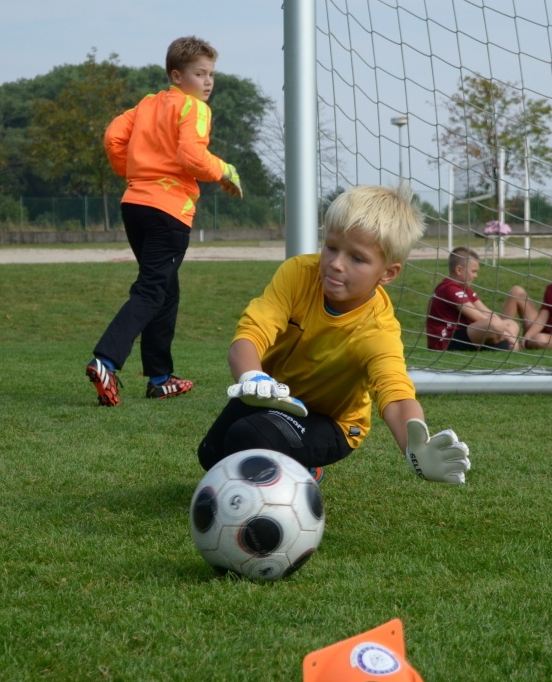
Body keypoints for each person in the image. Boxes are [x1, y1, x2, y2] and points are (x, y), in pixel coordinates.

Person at [197, 184, 471, 485]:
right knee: (212, 458)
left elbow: (395, 394)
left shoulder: (378, 330)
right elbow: (251, 333)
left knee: (249, 438)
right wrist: (252, 377)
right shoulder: (297, 275)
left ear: (388, 273)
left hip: (332, 422)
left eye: (357, 258)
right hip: (274, 396)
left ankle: (301, 470)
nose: (336, 264)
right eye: (331, 247)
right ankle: (291, 464)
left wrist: (414, 446)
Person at [85, 35, 243, 406]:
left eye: (211, 75)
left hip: (134, 206)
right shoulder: (194, 109)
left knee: (166, 290)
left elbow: (112, 139)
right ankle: (105, 361)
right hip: (167, 210)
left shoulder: (147, 104)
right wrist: (224, 171)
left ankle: (160, 377)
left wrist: (138, 175)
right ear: (177, 75)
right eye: (199, 74)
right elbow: (192, 156)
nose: (207, 82)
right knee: (153, 289)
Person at [426, 246, 538, 351]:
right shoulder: (448, 288)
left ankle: (503, 344)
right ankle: (506, 344)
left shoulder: (466, 289)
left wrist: (504, 329)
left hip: (466, 334)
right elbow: (479, 317)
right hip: (446, 340)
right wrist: (508, 335)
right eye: (473, 271)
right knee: (493, 324)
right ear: (459, 270)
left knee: (510, 323)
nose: (476, 276)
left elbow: (487, 312)